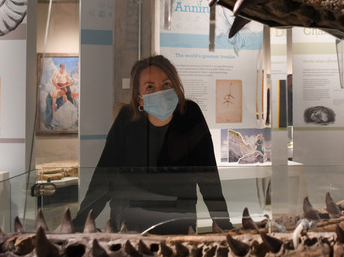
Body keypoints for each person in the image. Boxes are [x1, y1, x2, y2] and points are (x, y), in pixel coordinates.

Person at [73, 55, 232, 234]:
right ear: (139, 98)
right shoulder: (127, 119)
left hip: (178, 219)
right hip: (130, 219)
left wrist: (222, 221)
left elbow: (207, 173)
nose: (160, 92)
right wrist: (81, 222)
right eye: (150, 87)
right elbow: (106, 174)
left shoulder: (189, 114)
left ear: (176, 87)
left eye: (166, 84)